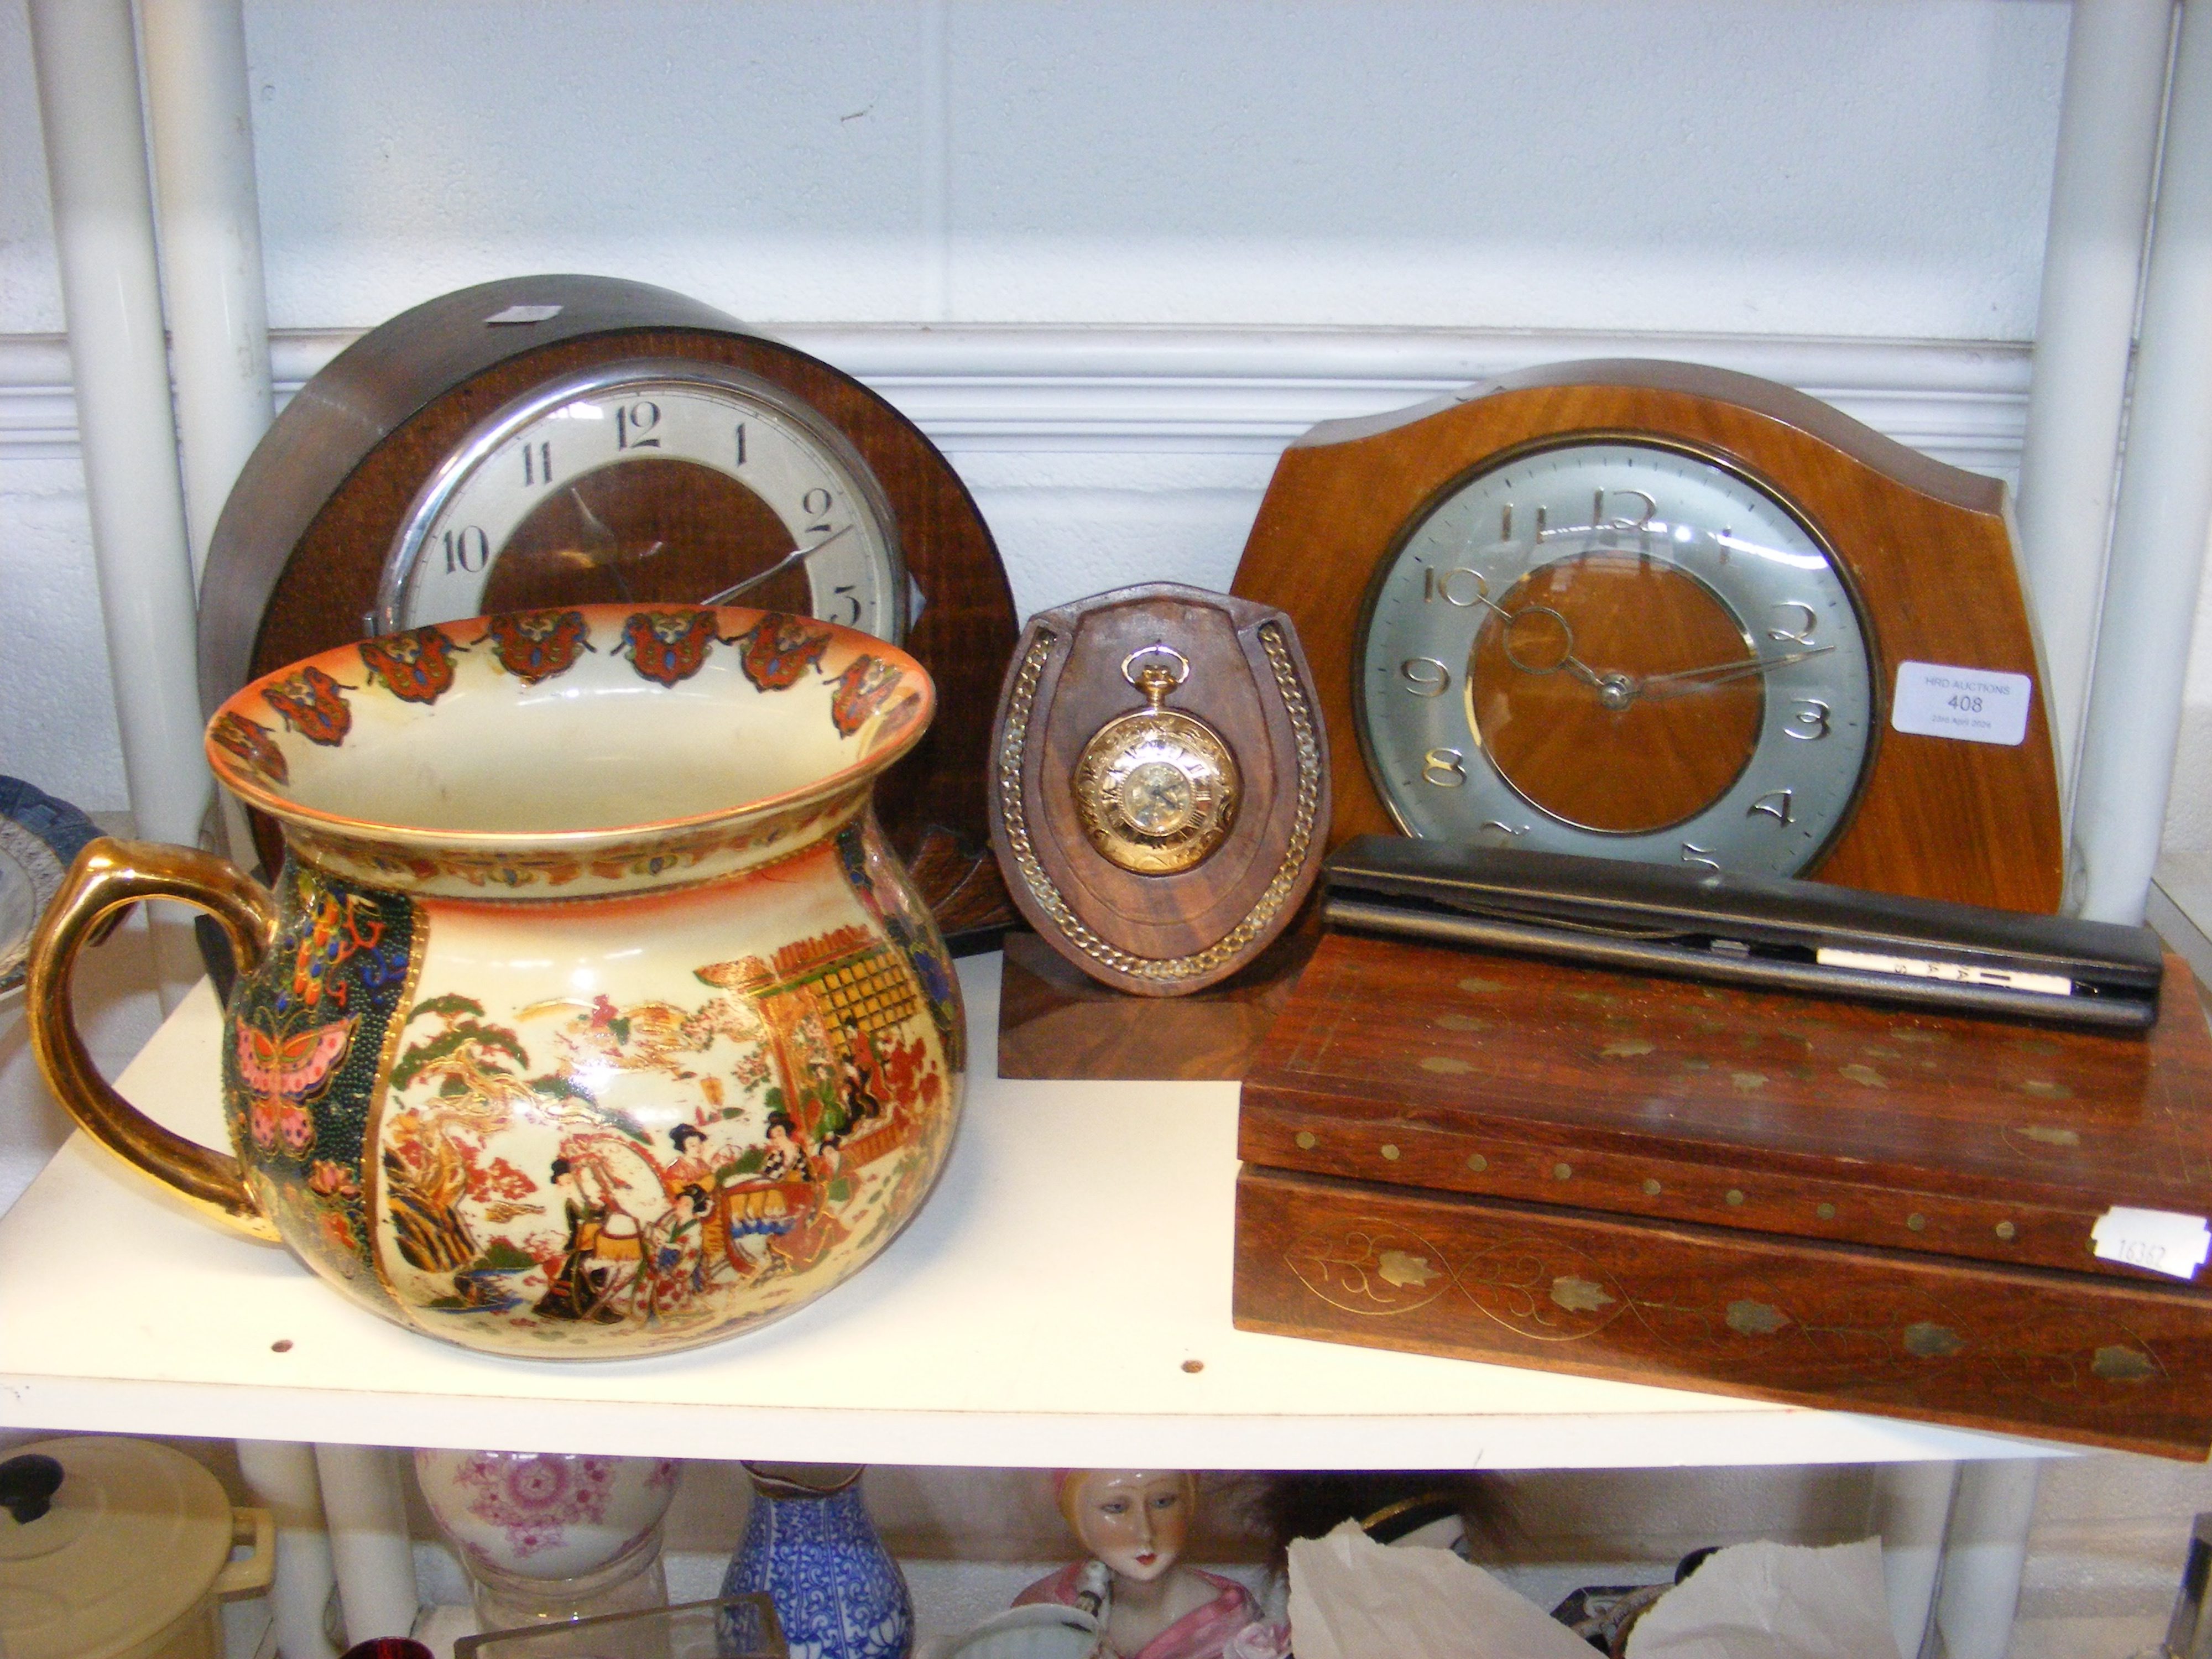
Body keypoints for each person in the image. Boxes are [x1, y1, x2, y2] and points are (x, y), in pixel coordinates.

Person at [1013, 1470, 1287, 1659]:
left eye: (1162, 1502)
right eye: (1116, 1508)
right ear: (1076, 1516)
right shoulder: (1042, 1612)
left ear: (1190, 1504)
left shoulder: (1232, 1621)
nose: (1144, 1532)